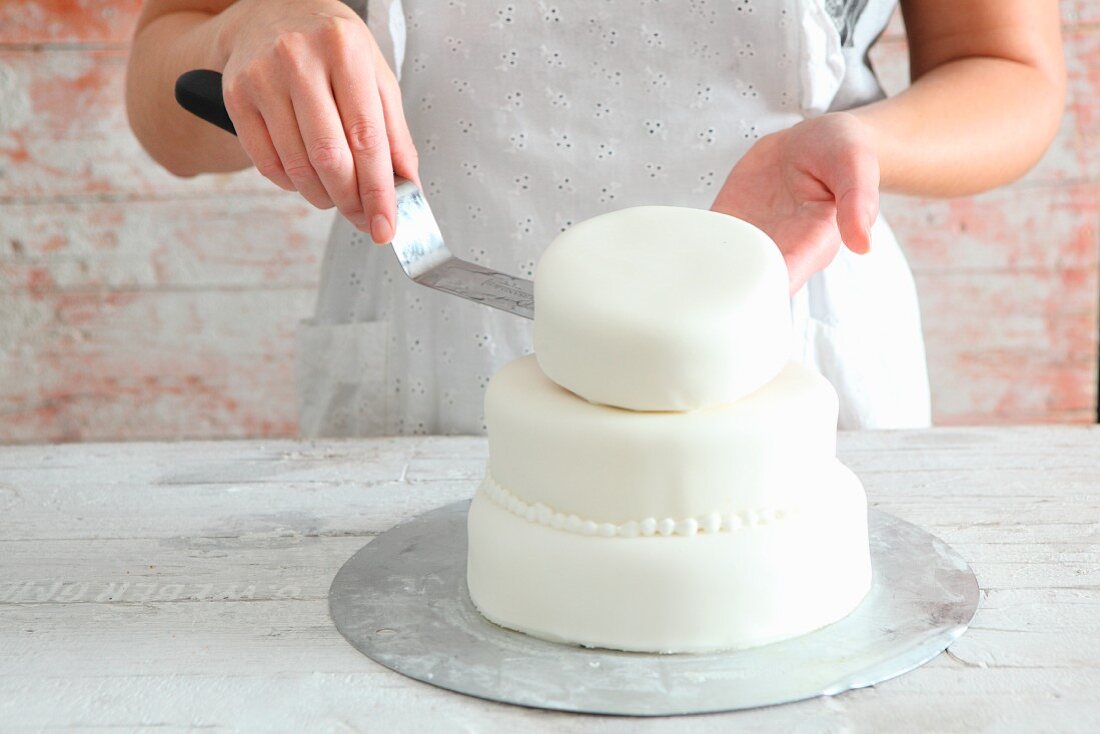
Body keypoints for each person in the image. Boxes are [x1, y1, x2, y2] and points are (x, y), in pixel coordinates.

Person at [126, 0, 1065, 436]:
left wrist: (872, 148)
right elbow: (163, 95)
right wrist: (246, 33)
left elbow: (1010, 70)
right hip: (427, 359)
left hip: (792, 344)